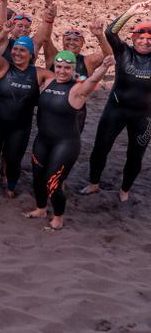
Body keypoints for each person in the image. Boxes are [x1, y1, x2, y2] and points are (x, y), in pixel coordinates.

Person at [26, 52, 113, 230]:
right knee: (37, 178)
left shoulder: (78, 90)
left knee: (53, 182)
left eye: (67, 68)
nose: (62, 71)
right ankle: (41, 209)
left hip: (65, 144)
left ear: (73, 68)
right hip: (42, 140)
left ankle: (58, 217)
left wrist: (104, 67)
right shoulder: (49, 82)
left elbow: (93, 80)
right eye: (59, 67)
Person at [82, 0, 151, 201]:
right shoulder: (123, 52)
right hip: (116, 109)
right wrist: (131, 11)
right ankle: (94, 183)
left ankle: (125, 190)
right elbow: (111, 32)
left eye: (150, 39)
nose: (146, 42)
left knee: (135, 155)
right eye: (141, 37)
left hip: (144, 116)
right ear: (133, 38)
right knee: (100, 148)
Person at [0, 28, 45, 197]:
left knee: (14, 158)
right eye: (15, 49)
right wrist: (3, 34)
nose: (17, 53)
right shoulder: (4, 67)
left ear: (31, 54)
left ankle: (10, 187)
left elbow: (63, 80)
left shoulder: (39, 74)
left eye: (22, 50)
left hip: (20, 126)